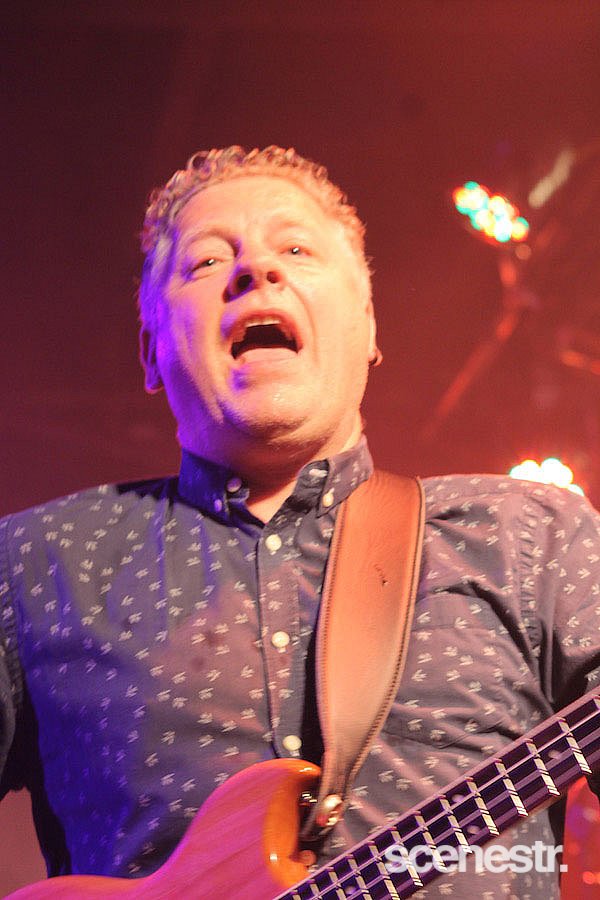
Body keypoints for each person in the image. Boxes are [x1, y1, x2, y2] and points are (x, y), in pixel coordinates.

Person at [1, 145, 599, 899]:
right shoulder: (36, 562)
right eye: (207, 261)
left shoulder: (529, 534)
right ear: (151, 350)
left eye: (296, 250)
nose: (255, 269)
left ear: (369, 326)